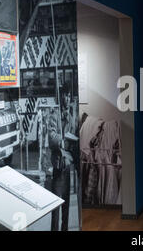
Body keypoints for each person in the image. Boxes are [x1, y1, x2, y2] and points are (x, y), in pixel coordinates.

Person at [48, 87, 78, 231]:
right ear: (60, 98)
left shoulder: (71, 115)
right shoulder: (55, 115)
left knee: (66, 204)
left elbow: (74, 132)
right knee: (56, 204)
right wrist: (62, 140)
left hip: (67, 166)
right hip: (59, 165)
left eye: (68, 96)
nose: (67, 99)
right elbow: (51, 138)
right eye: (64, 96)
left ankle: (64, 229)